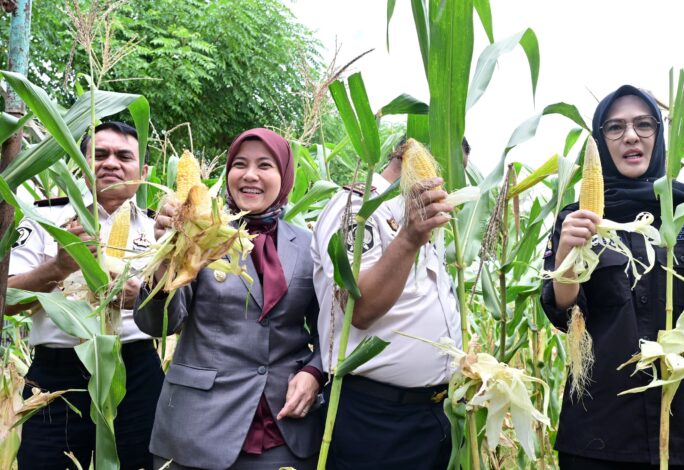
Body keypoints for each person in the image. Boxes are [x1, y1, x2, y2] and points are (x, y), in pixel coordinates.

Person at [540, 85, 684, 469]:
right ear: (601, 139)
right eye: (615, 127)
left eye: (643, 125)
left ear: (658, 134)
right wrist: (566, 258)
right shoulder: (575, 219)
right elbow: (564, 317)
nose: (631, 136)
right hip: (598, 433)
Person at [134, 128, 322, 470]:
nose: (250, 175)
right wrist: (167, 259)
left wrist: (314, 371)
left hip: (283, 424)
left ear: (285, 175)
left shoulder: (309, 245)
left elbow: (332, 329)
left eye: (265, 165)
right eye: (240, 164)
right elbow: (157, 324)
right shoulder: (199, 231)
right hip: (199, 427)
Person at [7, 121, 164, 470]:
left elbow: (176, 310)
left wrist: (140, 297)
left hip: (136, 370)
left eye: (124, 156)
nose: (111, 163)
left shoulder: (160, 229)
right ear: (81, 162)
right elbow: (8, 301)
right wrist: (59, 267)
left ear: (144, 171)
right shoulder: (43, 217)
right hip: (58, 374)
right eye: (100, 154)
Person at [311, 138, 467, 469]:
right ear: (409, 156)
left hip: (435, 414)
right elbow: (361, 308)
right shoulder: (356, 207)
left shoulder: (419, 219)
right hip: (379, 419)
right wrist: (409, 238)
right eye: (451, 172)